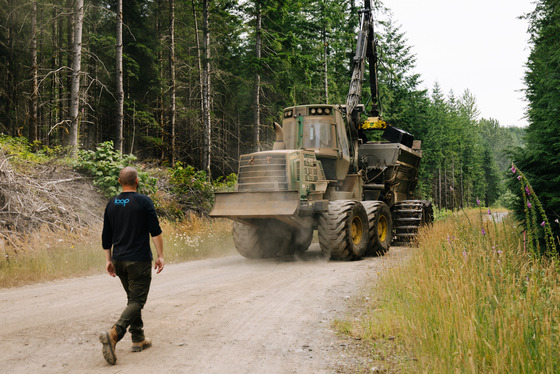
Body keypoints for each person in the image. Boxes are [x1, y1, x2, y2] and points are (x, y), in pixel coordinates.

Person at [98, 166, 164, 365]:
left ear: (120, 181)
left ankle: (138, 338)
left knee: (132, 299)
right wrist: (160, 255)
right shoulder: (144, 202)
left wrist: (108, 260)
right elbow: (155, 230)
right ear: (137, 181)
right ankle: (115, 333)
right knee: (137, 301)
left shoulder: (111, 203)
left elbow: (106, 236)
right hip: (139, 260)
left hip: (119, 260)